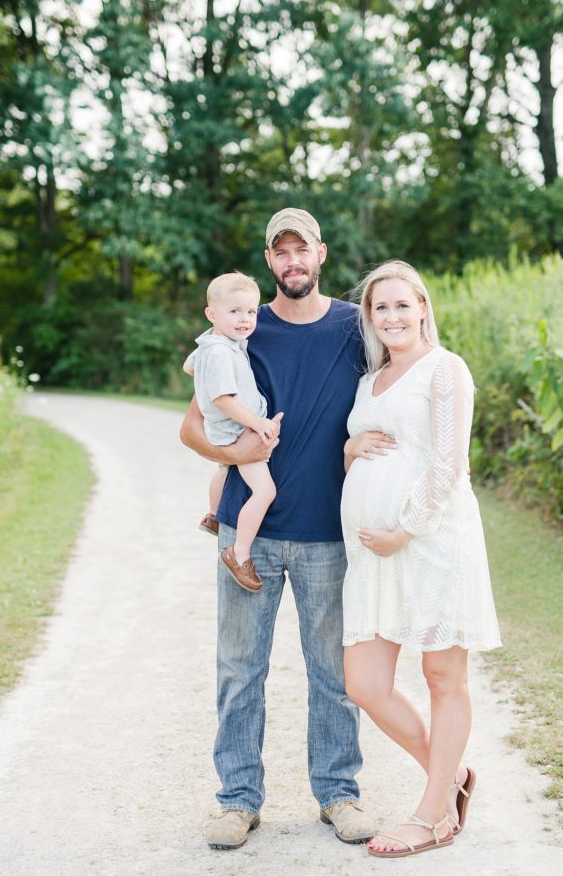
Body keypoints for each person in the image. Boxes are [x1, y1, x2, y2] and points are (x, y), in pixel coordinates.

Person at [179, 208, 375, 851]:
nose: (293, 261)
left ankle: (339, 793)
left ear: (321, 253)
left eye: (302, 249)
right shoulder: (241, 327)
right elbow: (191, 427)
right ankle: (237, 801)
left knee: (334, 675)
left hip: (329, 532)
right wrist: (234, 454)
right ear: (269, 261)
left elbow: (404, 382)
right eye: (281, 252)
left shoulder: (355, 326)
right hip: (250, 532)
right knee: (239, 672)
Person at [340, 259, 501, 859]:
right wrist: (351, 446)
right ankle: (451, 776)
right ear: (369, 316)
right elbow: (362, 453)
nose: (391, 316)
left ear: (423, 308)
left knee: (441, 676)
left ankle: (434, 815)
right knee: (365, 683)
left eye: (402, 305)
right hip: (375, 555)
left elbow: (448, 464)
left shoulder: (444, 369)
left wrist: (403, 530)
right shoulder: (370, 379)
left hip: (432, 542)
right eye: (380, 307)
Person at [182, 272, 280, 593]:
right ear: (212, 314)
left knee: (224, 469)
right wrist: (256, 422)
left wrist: (203, 375)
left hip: (222, 429)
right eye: (235, 311)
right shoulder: (221, 352)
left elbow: (188, 367)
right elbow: (222, 399)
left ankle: (213, 514)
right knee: (264, 492)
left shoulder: (212, 343)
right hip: (237, 431)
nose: (245, 319)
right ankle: (239, 553)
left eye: (251, 311)